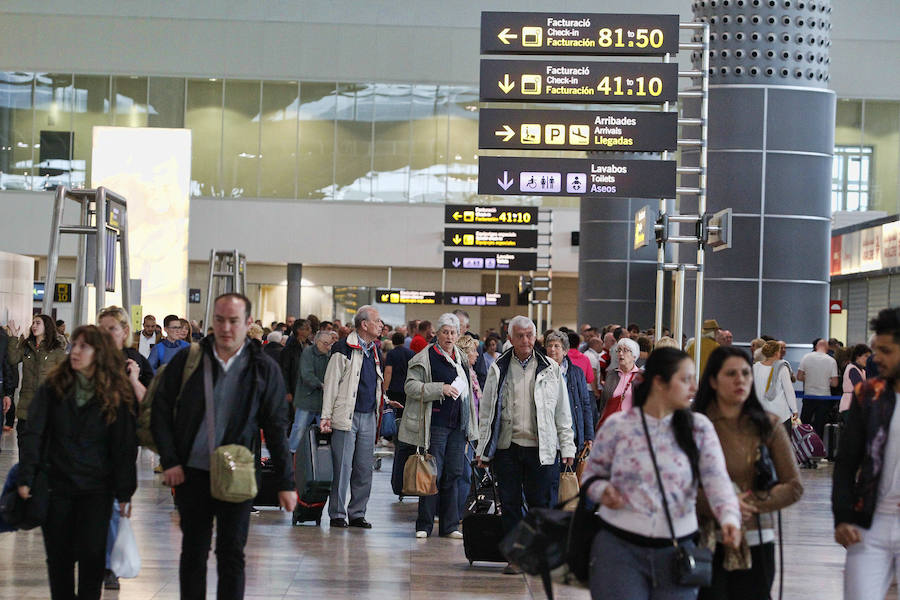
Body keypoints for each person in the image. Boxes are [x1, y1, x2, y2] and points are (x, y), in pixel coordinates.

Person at [150, 293, 296, 600]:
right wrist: (171, 461)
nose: (226, 328)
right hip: (192, 473)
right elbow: (161, 411)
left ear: (247, 323)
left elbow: (276, 426)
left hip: (238, 474)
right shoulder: (188, 360)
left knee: (231, 554)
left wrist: (286, 482)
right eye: (220, 320)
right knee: (193, 553)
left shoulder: (263, 368)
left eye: (233, 321)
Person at [582, 347, 742, 600]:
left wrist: (730, 518)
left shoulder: (698, 429)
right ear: (659, 382)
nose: (693, 387)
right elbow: (591, 476)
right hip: (619, 550)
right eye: (685, 379)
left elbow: (717, 481)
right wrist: (604, 491)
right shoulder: (618, 427)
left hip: (677, 550)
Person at [18, 325, 137, 600]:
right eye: (75, 345)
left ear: (99, 353)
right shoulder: (53, 387)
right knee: (59, 559)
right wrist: (27, 477)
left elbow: (124, 445)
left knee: (92, 558)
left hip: (96, 489)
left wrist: (124, 492)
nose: (76, 351)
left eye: (85, 346)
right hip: (56, 486)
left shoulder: (115, 392)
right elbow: (35, 433)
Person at [694, 346, 803, 600]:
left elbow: (794, 486)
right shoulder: (695, 425)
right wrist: (723, 505)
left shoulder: (768, 425)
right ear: (713, 380)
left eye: (745, 373)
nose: (740, 380)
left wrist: (751, 503)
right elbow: (678, 486)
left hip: (756, 538)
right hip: (705, 539)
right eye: (731, 373)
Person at [475, 315, 575, 574]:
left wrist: (568, 447)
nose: (525, 340)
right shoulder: (498, 367)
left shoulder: (550, 368)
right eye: (519, 335)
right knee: (509, 503)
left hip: (541, 448)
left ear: (536, 337)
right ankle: (516, 556)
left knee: (540, 505)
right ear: (510, 338)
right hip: (507, 447)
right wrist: (483, 450)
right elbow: (487, 413)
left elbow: (562, 412)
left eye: (530, 335)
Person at [832, 307, 900, 599]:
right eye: (875, 350)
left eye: (886, 351)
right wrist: (842, 517)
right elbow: (846, 462)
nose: (877, 358)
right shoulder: (868, 395)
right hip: (869, 524)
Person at [400, 313, 478, 538]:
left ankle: (450, 526)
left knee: (453, 474)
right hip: (435, 425)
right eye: (445, 332)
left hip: (457, 427)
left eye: (453, 333)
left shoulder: (461, 358)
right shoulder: (426, 357)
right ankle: (424, 525)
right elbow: (410, 387)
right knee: (431, 474)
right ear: (437, 334)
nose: (449, 336)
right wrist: (439, 389)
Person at [96, 305, 154, 590]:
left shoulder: (136, 361)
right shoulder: (88, 359)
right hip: (88, 443)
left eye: (112, 329)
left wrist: (133, 379)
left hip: (121, 443)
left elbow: (149, 403)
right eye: (102, 329)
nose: (106, 335)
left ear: (124, 332)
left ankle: (108, 565)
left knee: (114, 505)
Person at [320, 305, 384, 529]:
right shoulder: (343, 348)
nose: (381, 324)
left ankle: (357, 512)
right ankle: (337, 513)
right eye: (377, 321)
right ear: (364, 324)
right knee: (343, 466)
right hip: (346, 416)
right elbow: (331, 383)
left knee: (364, 468)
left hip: (368, 416)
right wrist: (326, 416)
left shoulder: (375, 350)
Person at [6, 315, 67, 448]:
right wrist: (14, 337)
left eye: (38, 323)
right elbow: (12, 359)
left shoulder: (56, 350)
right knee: (23, 444)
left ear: (47, 327)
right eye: (33, 323)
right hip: (25, 407)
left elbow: (65, 375)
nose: (34, 325)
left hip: (46, 407)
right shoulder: (26, 346)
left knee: (42, 449)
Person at [544, 330, 594, 453]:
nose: (552, 349)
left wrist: (588, 435)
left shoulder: (576, 373)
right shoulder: (540, 372)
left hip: (571, 432)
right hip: (547, 435)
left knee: (568, 471)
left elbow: (585, 404)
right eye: (549, 346)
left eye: (557, 346)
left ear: (565, 351)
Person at [288, 330, 334, 453]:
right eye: (325, 343)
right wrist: (321, 385)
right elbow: (306, 374)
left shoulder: (330, 355)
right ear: (317, 342)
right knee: (299, 428)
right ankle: (291, 453)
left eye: (330, 344)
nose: (328, 347)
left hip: (322, 401)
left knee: (323, 430)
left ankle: (322, 455)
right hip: (306, 399)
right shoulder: (307, 353)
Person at [753, 340, 799, 434]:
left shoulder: (755, 367)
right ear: (776, 353)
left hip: (762, 413)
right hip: (780, 414)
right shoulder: (782, 367)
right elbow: (788, 390)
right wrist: (794, 409)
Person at [798, 338, 839, 437]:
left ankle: (802, 447)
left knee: (805, 423)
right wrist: (824, 380)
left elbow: (799, 377)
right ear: (827, 347)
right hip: (824, 397)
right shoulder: (831, 360)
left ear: (816, 346)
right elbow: (835, 383)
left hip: (809, 396)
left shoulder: (806, 357)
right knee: (819, 425)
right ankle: (817, 448)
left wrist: (810, 379)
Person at [598, 337, 642, 426]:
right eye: (619, 350)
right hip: (611, 427)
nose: (621, 353)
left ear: (634, 356)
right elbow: (604, 403)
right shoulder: (611, 374)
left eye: (625, 350)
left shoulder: (642, 377)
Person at [383, 331, 414, 419]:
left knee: (395, 413)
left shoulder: (391, 354)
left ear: (392, 341)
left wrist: (385, 388)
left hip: (394, 387)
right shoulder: (411, 353)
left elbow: (388, 372)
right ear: (403, 341)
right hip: (408, 386)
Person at [280, 318, 311, 407]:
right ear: (299, 330)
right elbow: (284, 371)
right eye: (307, 328)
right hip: (295, 389)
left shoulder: (311, 347)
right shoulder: (289, 349)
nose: (310, 330)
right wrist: (287, 391)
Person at [840, 343, 871, 415]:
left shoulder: (862, 370)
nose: (867, 359)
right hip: (849, 406)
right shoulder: (853, 369)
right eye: (865, 356)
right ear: (857, 356)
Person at [1, 325, 20, 433]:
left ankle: (9, 422)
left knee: (10, 400)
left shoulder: (8, 344)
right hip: (9, 378)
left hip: (11, 378)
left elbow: (11, 362)